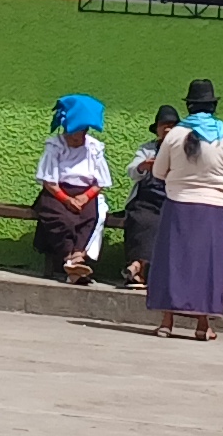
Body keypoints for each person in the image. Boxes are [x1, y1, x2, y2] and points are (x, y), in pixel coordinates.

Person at [145, 84, 223, 338]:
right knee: (206, 267)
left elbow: (158, 172)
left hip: (178, 206)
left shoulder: (174, 135)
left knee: (172, 264)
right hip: (212, 209)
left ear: (189, 106)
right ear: (213, 106)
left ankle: (167, 323)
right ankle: (203, 326)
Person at [32, 95, 110, 285]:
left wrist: (85, 196)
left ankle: (77, 257)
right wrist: (67, 199)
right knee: (62, 219)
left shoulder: (93, 148)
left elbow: (100, 181)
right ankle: (70, 259)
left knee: (89, 218)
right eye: (75, 132)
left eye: (83, 132)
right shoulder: (55, 146)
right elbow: (49, 181)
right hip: (57, 193)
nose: (79, 137)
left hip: (85, 193)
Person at [120, 102, 182, 291]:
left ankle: (137, 268)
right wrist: (143, 166)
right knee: (141, 219)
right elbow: (131, 171)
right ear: (157, 129)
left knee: (162, 222)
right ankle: (138, 268)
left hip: (170, 200)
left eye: (172, 125)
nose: (167, 129)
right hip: (146, 200)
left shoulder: (182, 150)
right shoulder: (147, 148)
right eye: (163, 125)